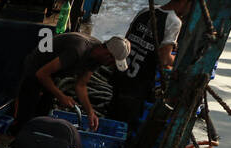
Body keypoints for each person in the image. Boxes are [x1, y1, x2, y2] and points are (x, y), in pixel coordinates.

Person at [11, 32, 130, 134]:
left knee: (42, 116)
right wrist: (61, 96)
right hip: (36, 69)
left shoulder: (97, 57)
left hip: (52, 75)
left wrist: (90, 112)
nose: (110, 66)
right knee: (24, 119)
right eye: (112, 62)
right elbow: (41, 74)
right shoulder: (77, 50)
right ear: (108, 55)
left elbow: (81, 85)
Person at [109, 0, 192, 128]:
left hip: (122, 74)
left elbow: (126, 40)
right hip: (140, 82)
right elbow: (164, 59)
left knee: (113, 114)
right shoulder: (174, 22)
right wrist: (182, 63)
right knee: (127, 124)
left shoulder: (145, 11)